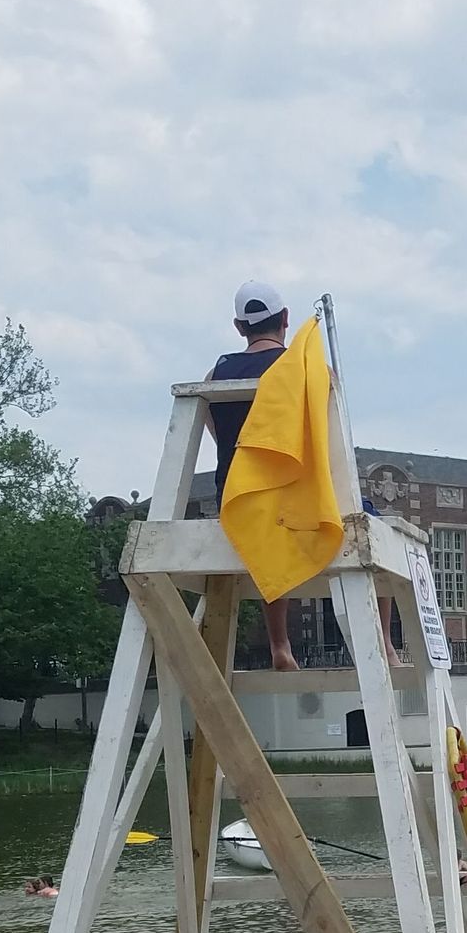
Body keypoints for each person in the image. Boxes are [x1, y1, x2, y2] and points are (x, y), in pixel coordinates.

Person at [207, 280, 298, 671]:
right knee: (376, 523)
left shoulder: (216, 373)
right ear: (286, 319)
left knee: (265, 530)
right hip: (289, 496)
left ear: (239, 327)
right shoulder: (299, 366)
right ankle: (385, 645)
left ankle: (280, 644)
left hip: (234, 497)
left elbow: (214, 430)